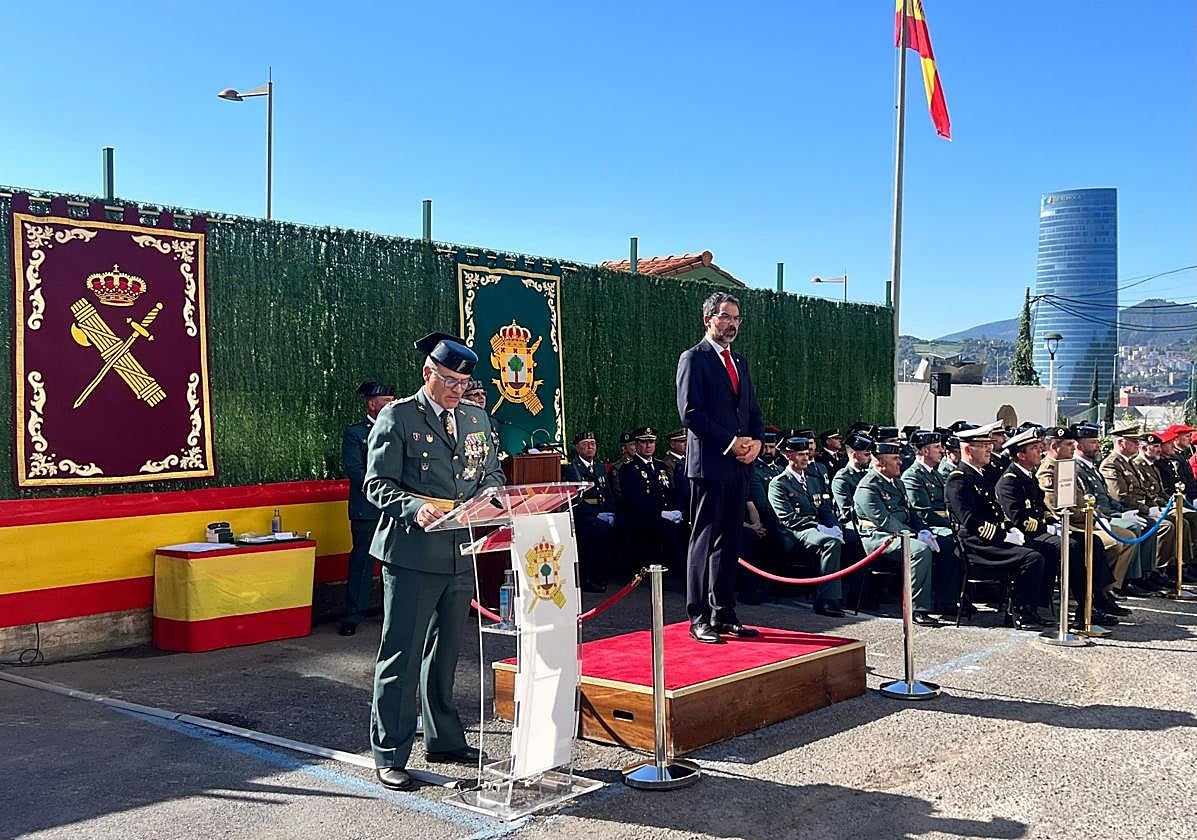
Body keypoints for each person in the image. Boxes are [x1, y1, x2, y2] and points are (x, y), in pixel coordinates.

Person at [364, 332, 504, 791]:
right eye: (447, 380)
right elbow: (377, 484)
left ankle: (444, 739)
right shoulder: (398, 416)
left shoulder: (476, 418)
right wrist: (413, 507)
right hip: (412, 552)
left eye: (463, 383)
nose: (456, 390)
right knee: (401, 655)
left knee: (445, 655)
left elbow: (491, 471)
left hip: (460, 553)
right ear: (428, 373)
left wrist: (493, 497)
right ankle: (389, 752)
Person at [676, 291, 764, 644]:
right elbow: (690, 412)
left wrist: (755, 443)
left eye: (736, 318)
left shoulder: (740, 362)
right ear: (708, 319)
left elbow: (753, 411)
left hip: (740, 465)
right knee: (704, 540)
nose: (731, 324)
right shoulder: (693, 359)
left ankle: (724, 612)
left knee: (730, 541)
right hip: (710, 464)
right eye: (725, 317)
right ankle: (698, 616)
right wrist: (731, 443)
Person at [995, 427, 1124, 628]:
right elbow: (1019, 519)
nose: (1040, 452)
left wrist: (1052, 523)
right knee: (1070, 546)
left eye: (1040, 447)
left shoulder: (1028, 476)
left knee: (1092, 541)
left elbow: (1042, 507)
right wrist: (1047, 528)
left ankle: (1094, 601)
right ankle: (1082, 606)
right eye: (1035, 449)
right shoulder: (1009, 481)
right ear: (1021, 456)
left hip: (1039, 530)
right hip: (1023, 535)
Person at [945, 426, 1049, 629]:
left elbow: (997, 511)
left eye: (989, 445)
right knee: (1031, 558)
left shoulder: (983, 475)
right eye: (983, 446)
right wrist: (1004, 536)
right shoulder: (958, 480)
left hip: (990, 539)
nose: (989, 450)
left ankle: (1031, 608)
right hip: (976, 544)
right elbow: (972, 522)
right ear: (968, 450)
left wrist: (1011, 528)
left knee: (1043, 549)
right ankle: (1018, 612)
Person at [1036, 426, 1134, 605]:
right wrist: (1090, 517)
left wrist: (1096, 515)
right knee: (1110, 543)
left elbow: (1082, 499)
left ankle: (1103, 591)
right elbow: (1059, 509)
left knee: (1125, 537)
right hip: (1071, 524)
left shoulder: (1065, 466)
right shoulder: (1047, 472)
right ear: (1054, 447)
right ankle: (1096, 595)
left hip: (1086, 521)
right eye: (1068, 445)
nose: (1073, 448)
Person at [853, 441, 941, 626]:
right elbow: (885, 521)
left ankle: (945, 600)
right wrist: (915, 535)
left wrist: (923, 530)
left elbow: (911, 513)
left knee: (946, 543)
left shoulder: (898, 483)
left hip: (900, 533)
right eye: (895, 458)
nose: (900, 462)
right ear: (880, 463)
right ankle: (917, 608)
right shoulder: (868, 487)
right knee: (918, 551)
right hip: (878, 538)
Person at [1071, 423, 1163, 595]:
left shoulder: (1091, 467)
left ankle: (1142, 575)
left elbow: (1108, 497)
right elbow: (1094, 501)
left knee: (1148, 524)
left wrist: (1122, 511)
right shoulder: (1078, 468)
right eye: (1093, 442)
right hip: (1098, 517)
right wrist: (1117, 515)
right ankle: (1120, 584)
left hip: (1108, 512)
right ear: (1079, 445)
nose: (1097, 446)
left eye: (1097, 442)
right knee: (1133, 529)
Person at [340, 381, 396, 636]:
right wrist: (380, 492)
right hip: (368, 508)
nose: (391, 406)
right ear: (372, 404)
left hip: (395, 508)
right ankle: (353, 615)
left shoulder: (398, 429)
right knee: (362, 562)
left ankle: (391, 613)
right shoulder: (355, 433)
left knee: (394, 562)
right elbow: (355, 470)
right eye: (387, 402)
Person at [768, 435, 846, 616]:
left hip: (815, 529)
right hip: (795, 532)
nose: (805, 458)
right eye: (800, 454)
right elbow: (788, 519)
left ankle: (856, 594)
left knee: (850, 538)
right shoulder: (779, 484)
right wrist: (819, 528)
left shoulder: (813, 480)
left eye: (806, 454)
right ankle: (826, 600)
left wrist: (835, 526)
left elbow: (825, 508)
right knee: (830, 543)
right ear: (788, 456)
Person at [1101, 424, 1182, 579]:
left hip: (1138, 508)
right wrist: (1146, 509)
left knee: (1160, 523)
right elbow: (1121, 495)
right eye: (1133, 441)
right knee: (1155, 525)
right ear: (1121, 442)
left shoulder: (1129, 462)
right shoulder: (1111, 464)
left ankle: (1150, 572)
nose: (1137, 445)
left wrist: (1153, 506)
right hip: (1127, 509)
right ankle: (1136, 577)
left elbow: (1144, 490)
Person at [617, 426, 687, 572]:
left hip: (665, 513)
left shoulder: (661, 465)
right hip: (643, 516)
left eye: (651, 442)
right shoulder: (629, 468)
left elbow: (670, 491)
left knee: (687, 525)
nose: (648, 446)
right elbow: (634, 501)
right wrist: (661, 513)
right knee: (670, 530)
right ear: (636, 444)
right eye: (644, 442)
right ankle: (673, 574)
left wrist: (678, 510)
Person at [562, 431, 614, 592]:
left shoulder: (599, 467)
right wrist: (594, 514)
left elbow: (608, 492)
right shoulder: (572, 469)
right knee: (596, 533)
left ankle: (606, 575)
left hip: (602, 510)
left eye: (593, 443)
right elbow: (573, 499)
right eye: (585, 444)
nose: (590, 447)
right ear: (577, 448)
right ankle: (590, 579)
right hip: (584, 514)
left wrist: (612, 511)